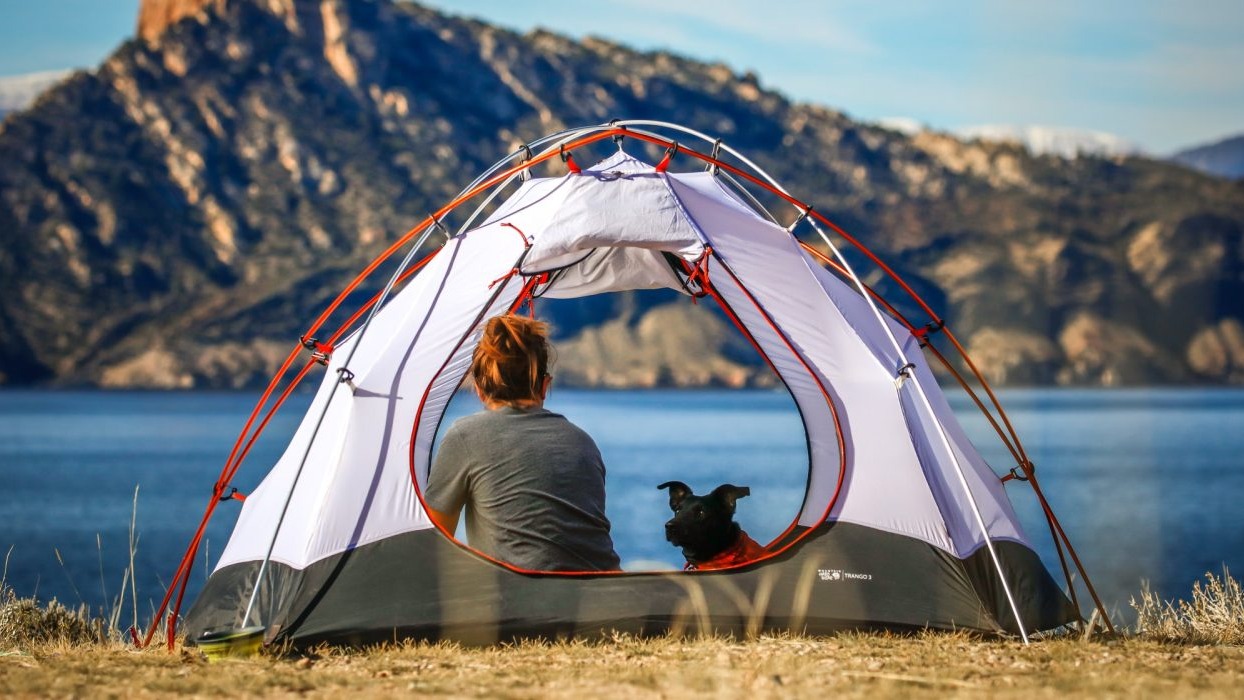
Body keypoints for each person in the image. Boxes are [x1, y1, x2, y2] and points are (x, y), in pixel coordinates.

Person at [425, 314, 620, 572]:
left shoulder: (465, 436)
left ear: (480, 390)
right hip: (608, 597)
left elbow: (435, 542)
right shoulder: (583, 443)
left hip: (521, 603)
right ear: (544, 386)